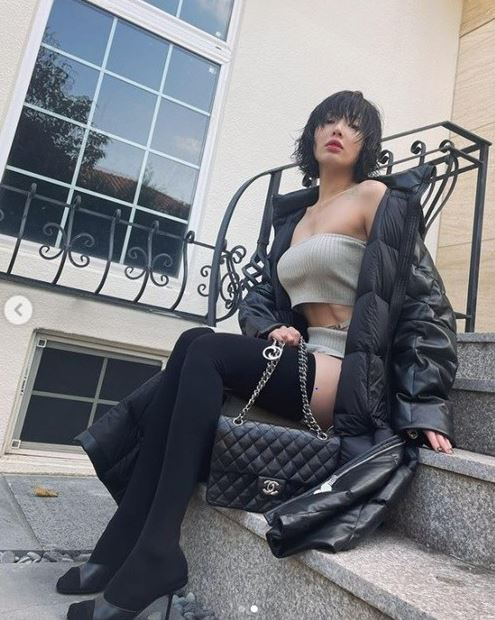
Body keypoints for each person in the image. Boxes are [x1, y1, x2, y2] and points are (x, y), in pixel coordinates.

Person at [60, 91, 454, 619]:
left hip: (350, 374)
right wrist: (270, 326)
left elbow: (425, 302)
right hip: (306, 360)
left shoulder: (377, 198)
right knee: (193, 341)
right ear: (312, 135)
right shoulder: (296, 218)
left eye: (354, 124)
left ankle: (151, 549)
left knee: (207, 353)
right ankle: (125, 542)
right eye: (328, 120)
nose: (338, 129)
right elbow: (263, 297)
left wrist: (425, 403)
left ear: (367, 143)